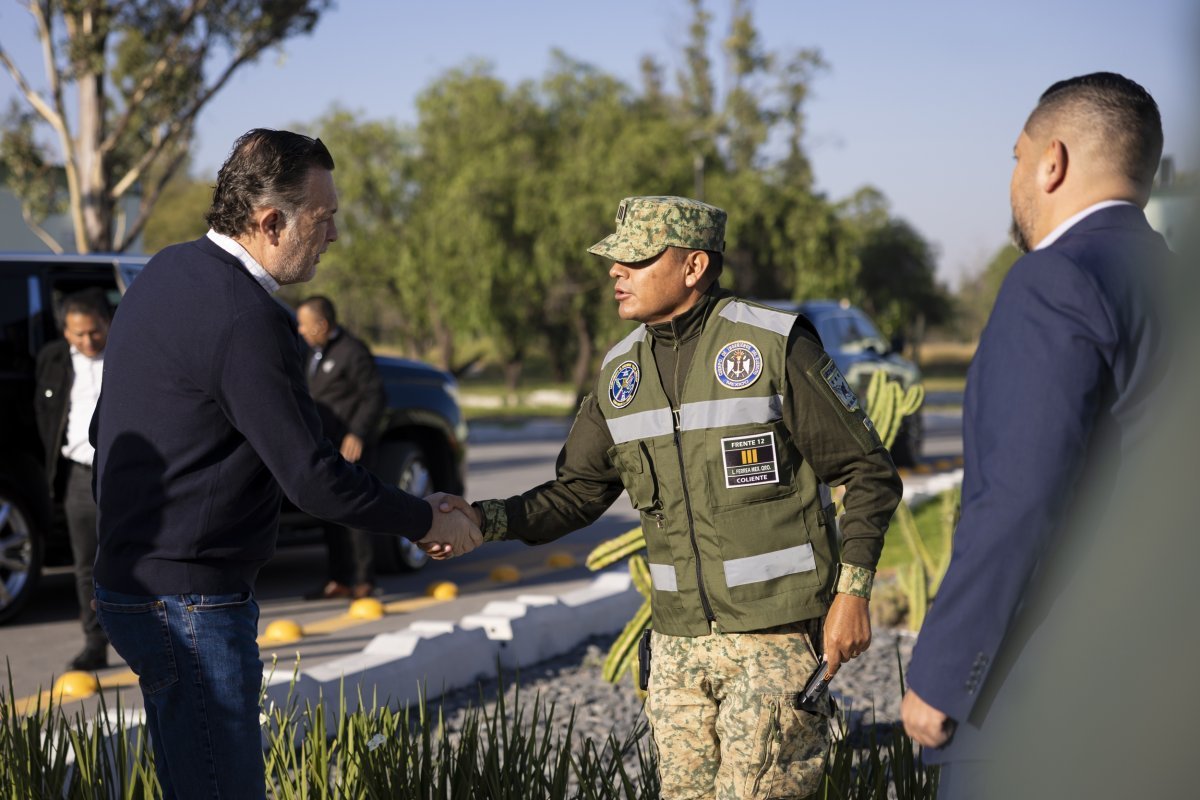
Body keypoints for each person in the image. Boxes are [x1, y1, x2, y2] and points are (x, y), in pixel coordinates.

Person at [439, 196, 903, 799]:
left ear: (693, 266)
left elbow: (868, 472)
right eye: (616, 261)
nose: (616, 272)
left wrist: (853, 592)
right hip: (676, 649)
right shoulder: (619, 373)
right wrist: (482, 519)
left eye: (636, 259)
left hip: (774, 637)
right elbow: (578, 492)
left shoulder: (773, 345)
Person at [90, 128, 480, 799]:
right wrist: (423, 518)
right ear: (270, 222)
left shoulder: (164, 271)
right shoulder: (249, 318)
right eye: (323, 220)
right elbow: (312, 478)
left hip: (130, 586)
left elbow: (106, 427)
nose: (331, 237)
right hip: (190, 602)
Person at [900, 73, 1171, 796]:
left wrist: (943, 675)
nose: (1014, 179)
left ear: (1051, 161)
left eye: (1015, 159)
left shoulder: (1056, 280)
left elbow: (1021, 494)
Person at [33, 288, 112, 671]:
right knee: (87, 566)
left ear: (108, 324)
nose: (87, 340)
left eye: (94, 331)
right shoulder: (54, 362)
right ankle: (95, 643)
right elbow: (43, 415)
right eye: (78, 334)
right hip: (79, 475)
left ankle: (151, 642)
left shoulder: (128, 355)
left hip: (126, 475)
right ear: (65, 332)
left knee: (138, 560)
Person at [297, 295, 384, 600]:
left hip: (352, 448)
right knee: (330, 514)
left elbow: (374, 397)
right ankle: (338, 579)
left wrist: (357, 433)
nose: (300, 330)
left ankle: (363, 580)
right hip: (326, 447)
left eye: (304, 325)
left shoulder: (352, 351)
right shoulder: (313, 354)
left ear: (321, 324)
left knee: (356, 515)